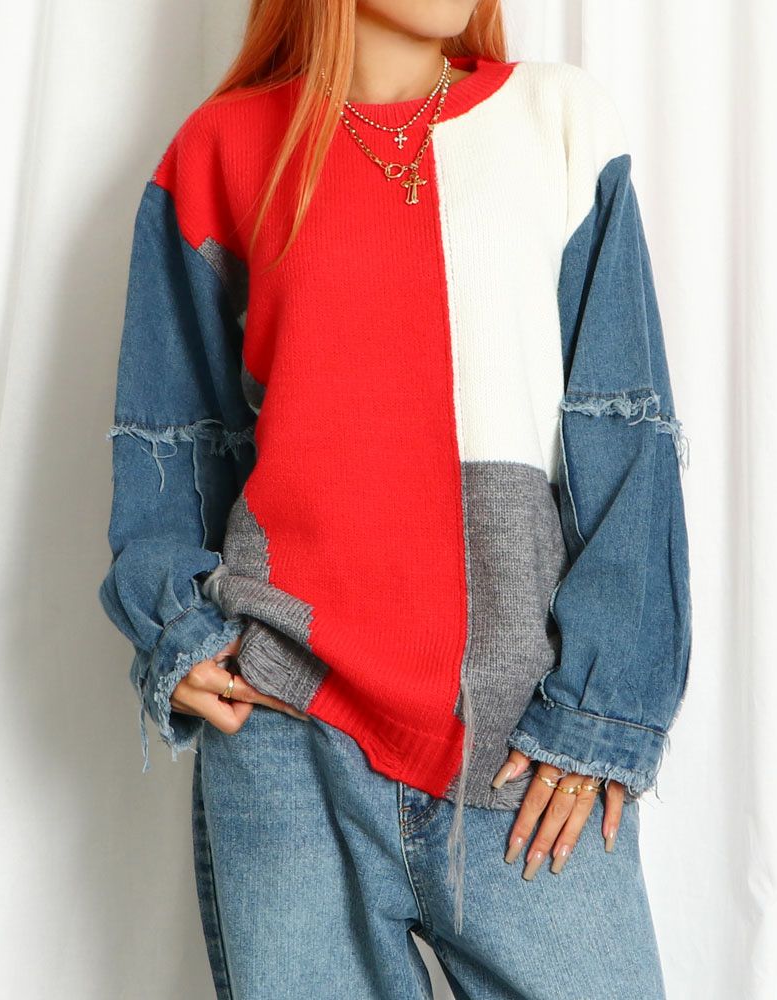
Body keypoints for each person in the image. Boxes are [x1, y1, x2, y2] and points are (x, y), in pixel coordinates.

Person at [98, 2, 693, 997]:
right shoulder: (220, 149)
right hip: (287, 738)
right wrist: (177, 630)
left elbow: (625, 432)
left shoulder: (558, 120)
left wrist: (602, 711)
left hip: (523, 745)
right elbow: (172, 430)